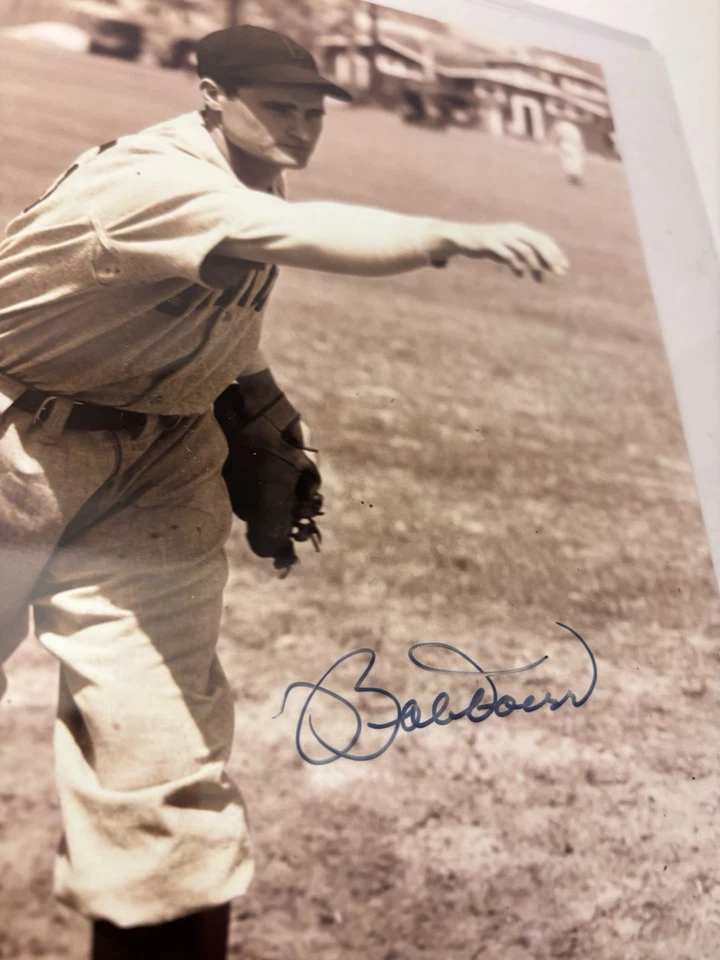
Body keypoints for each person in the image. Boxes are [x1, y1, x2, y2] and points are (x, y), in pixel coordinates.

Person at [0, 24, 569, 959]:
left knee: (165, 763)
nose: (303, 127)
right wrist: (444, 235)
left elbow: (203, 317)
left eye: (313, 111)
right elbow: (297, 238)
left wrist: (256, 402)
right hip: (18, 440)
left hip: (159, 468)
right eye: (281, 106)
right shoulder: (152, 181)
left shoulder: (248, 176)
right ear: (212, 94)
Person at [552, 117, 586, 186]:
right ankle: (574, 177)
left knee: (568, 160)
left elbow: (557, 135)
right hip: (575, 144)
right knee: (575, 161)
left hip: (567, 143)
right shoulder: (572, 127)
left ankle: (572, 177)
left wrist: (555, 143)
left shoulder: (560, 126)